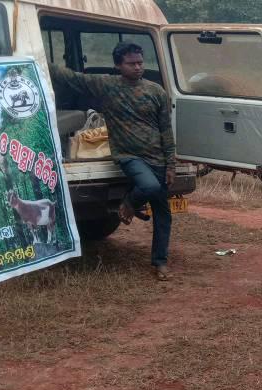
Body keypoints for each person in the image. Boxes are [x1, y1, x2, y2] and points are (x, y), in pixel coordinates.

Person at [50, 42, 176, 281]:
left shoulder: (156, 91)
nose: (138, 67)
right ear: (118, 65)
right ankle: (128, 204)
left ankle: (160, 263)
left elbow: (166, 130)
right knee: (149, 187)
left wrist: (170, 164)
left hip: (157, 158)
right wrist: (37, 61)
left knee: (163, 213)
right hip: (129, 156)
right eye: (131, 63)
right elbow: (72, 78)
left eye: (140, 62)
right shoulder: (107, 86)